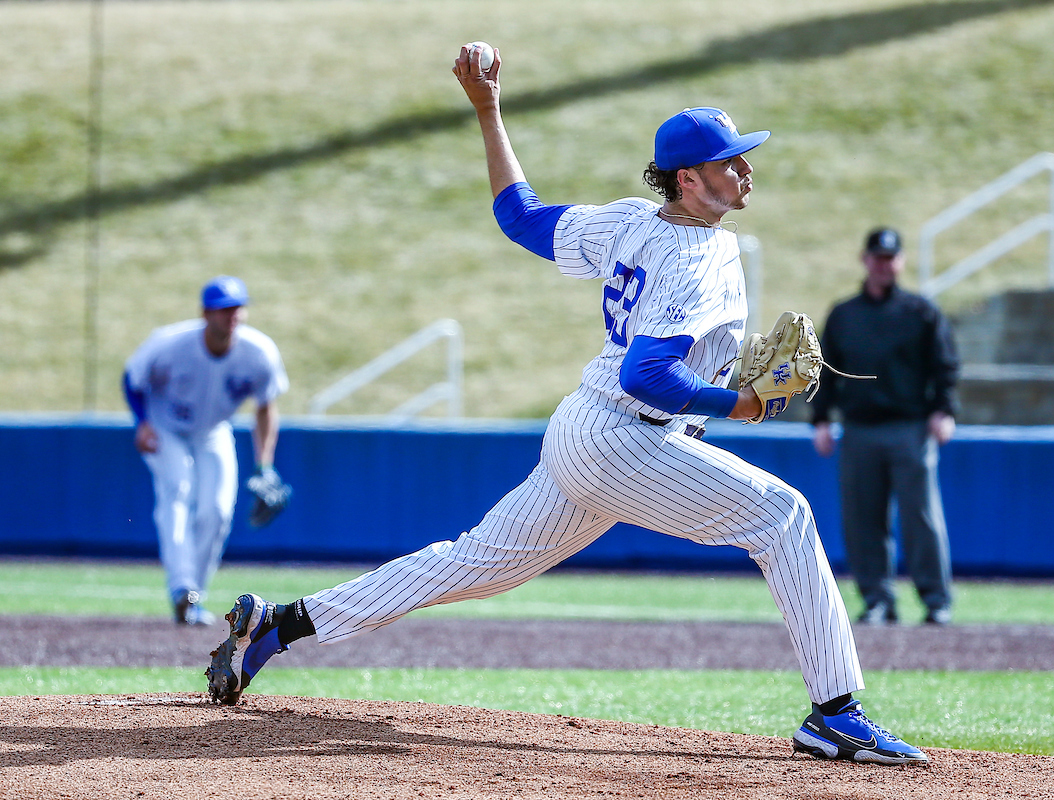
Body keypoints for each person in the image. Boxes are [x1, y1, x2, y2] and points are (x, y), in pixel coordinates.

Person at [205, 45, 928, 765]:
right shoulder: (702, 257)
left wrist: (488, 111)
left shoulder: (630, 222)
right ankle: (836, 713)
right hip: (625, 438)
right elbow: (649, 376)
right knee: (784, 517)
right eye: (729, 160)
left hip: (586, 428)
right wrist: (739, 404)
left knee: (475, 564)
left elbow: (519, 216)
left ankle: (278, 625)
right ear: (688, 178)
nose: (745, 168)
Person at [810, 227, 959, 626]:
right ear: (865, 260)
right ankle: (877, 599)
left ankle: (936, 599)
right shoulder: (844, 314)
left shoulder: (920, 312)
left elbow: (945, 365)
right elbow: (825, 370)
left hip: (910, 427)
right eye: (878, 257)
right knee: (863, 519)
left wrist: (944, 410)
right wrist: (821, 419)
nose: (884, 265)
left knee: (921, 518)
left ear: (901, 262)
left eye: (890, 258)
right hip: (859, 428)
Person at [123, 276, 289, 625]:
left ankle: (193, 597)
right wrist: (142, 422)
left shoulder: (258, 351)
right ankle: (181, 587)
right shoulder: (171, 343)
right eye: (223, 309)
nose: (231, 315)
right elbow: (133, 378)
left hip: (213, 429)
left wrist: (265, 465)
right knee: (177, 489)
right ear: (205, 313)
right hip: (165, 426)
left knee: (218, 509)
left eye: (237, 308)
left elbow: (265, 406)